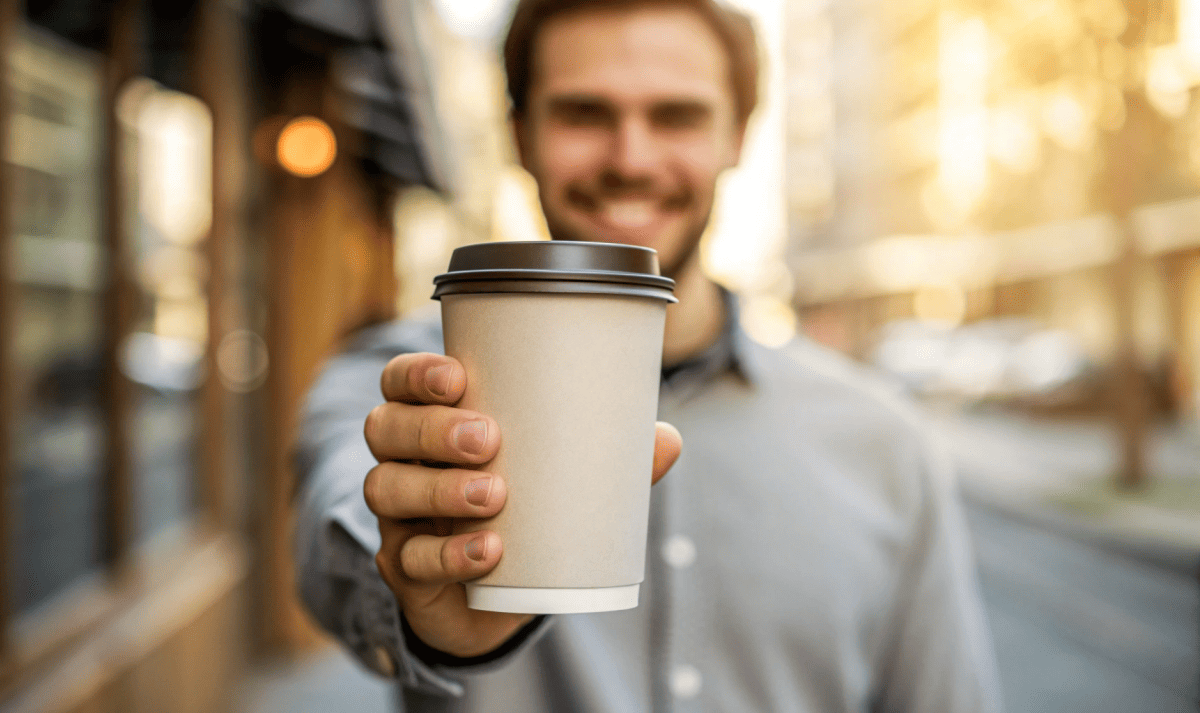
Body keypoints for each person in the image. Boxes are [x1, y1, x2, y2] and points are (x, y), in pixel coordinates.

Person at [293, 0, 1003, 711]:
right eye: (583, 114)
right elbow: (338, 530)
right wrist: (419, 599)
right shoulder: (399, 386)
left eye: (676, 116)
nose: (630, 160)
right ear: (519, 136)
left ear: (738, 136)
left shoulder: (885, 444)